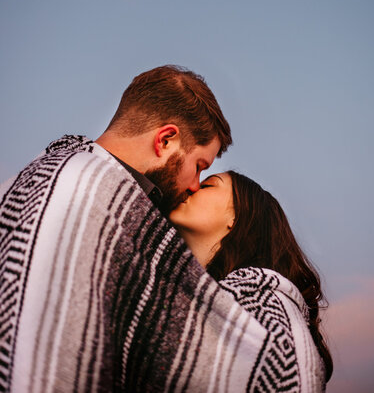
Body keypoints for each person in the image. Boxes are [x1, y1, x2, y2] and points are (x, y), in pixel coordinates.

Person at [0, 65, 286, 393]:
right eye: (199, 167)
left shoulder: (74, 187)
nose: (194, 185)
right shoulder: (80, 191)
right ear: (165, 140)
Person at [169, 171, 333, 390]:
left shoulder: (266, 303)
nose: (192, 186)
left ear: (235, 218)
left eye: (208, 185)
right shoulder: (182, 295)